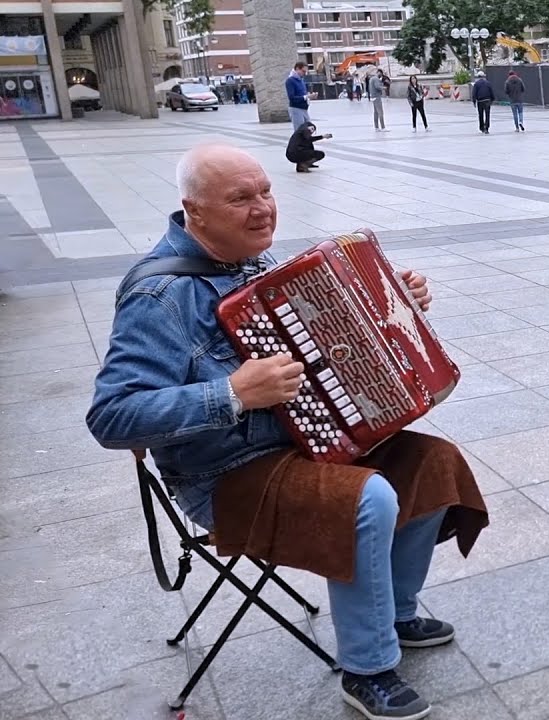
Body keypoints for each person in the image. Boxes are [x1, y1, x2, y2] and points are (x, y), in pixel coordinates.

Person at [85, 144, 490, 720]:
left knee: (434, 461)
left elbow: (326, 337)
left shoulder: (253, 263)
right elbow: (111, 417)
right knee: (366, 499)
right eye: (240, 198)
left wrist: (397, 303)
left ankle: (396, 611)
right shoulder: (159, 296)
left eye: (265, 192)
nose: (262, 209)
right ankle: (368, 667)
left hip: (305, 441)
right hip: (224, 476)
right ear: (193, 211)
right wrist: (232, 394)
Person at [285, 61, 310, 132]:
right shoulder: (290, 81)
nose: (305, 74)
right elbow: (291, 98)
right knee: (300, 131)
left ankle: (306, 143)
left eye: (306, 72)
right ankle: (298, 143)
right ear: (297, 69)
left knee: (309, 128)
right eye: (303, 71)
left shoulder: (301, 80)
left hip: (304, 108)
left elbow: (302, 93)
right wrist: (305, 97)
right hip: (295, 108)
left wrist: (309, 96)